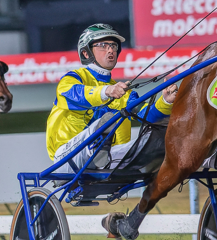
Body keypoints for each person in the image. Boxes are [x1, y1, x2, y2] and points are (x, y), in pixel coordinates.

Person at [46, 23, 177, 172]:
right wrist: (106, 91)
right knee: (104, 123)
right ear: (86, 53)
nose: (111, 50)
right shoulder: (73, 79)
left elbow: (147, 115)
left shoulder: (122, 92)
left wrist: (166, 101)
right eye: (103, 45)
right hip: (68, 159)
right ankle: (98, 150)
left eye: (113, 46)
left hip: (109, 161)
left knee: (155, 140)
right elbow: (73, 94)